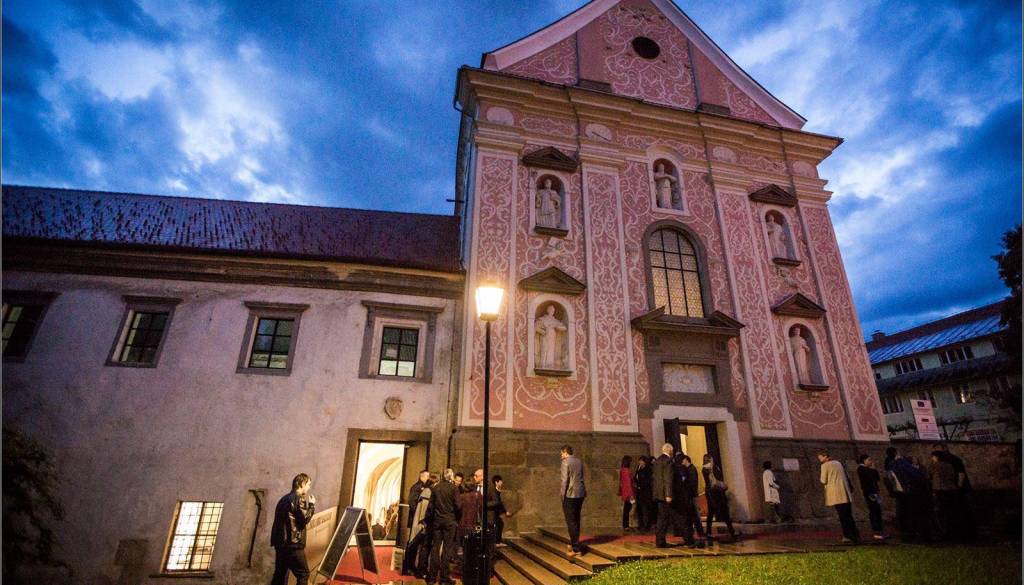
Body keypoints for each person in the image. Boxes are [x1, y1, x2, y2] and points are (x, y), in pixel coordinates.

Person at [270, 473, 316, 585]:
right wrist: (311, 505)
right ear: (302, 484)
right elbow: (304, 519)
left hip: (280, 545)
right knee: (303, 574)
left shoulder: (283, 499)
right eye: (308, 485)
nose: (309, 487)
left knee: (280, 575)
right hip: (293, 545)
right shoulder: (298, 499)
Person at [427, 469, 460, 585]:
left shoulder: (436, 488)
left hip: (437, 521)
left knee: (435, 548)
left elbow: (431, 506)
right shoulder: (454, 488)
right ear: (450, 477)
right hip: (449, 521)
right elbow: (458, 506)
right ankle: (444, 579)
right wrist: (456, 518)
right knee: (447, 549)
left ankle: (432, 578)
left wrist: (431, 519)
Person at [817, 451, 858, 543]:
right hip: (844, 491)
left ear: (825, 456)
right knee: (848, 515)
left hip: (835, 493)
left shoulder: (825, 466)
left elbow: (823, 480)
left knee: (842, 516)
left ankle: (847, 535)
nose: (820, 460)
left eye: (820, 458)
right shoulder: (838, 463)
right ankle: (855, 533)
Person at [402, 474, 436, 578]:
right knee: (415, 545)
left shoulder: (425, 490)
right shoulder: (425, 491)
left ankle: (412, 567)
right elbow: (420, 507)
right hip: (420, 523)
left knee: (415, 545)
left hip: (419, 521)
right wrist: (422, 521)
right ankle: (409, 568)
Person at [702, 454, 738, 542]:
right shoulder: (710, 469)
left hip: (710, 493)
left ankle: (708, 532)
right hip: (716, 493)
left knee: (711, 513)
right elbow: (714, 482)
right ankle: (732, 531)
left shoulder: (705, 469)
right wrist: (723, 485)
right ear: (710, 459)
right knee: (724, 512)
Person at [652, 443, 681, 548]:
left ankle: (660, 540)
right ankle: (661, 541)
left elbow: (655, 478)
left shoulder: (657, 461)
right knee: (666, 518)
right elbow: (668, 479)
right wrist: (669, 494)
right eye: (672, 450)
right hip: (666, 495)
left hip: (658, 494)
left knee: (662, 518)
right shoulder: (668, 461)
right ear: (669, 450)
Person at [560, 445, 586, 556]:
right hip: (580, 493)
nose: (561, 456)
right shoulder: (579, 461)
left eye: (561, 453)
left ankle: (576, 549)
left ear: (566, 452)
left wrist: (562, 495)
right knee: (576, 519)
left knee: (571, 521)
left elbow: (564, 480)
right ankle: (574, 543)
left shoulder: (565, 462)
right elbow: (581, 477)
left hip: (570, 494)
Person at [929, 450, 959, 541]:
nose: (932, 458)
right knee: (950, 512)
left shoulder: (935, 465)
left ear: (936, 457)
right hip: (951, 490)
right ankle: (952, 532)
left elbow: (929, 476)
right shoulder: (949, 465)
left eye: (933, 457)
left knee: (941, 513)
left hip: (940, 490)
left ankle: (944, 533)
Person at [857, 454, 885, 539]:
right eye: (869, 460)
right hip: (870, 493)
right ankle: (876, 531)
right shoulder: (861, 469)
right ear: (864, 460)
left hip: (875, 492)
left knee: (878, 510)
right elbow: (870, 475)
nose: (871, 462)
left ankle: (880, 530)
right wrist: (872, 469)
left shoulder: (868, 469)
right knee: (874, 510)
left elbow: (877, 478)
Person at [677, 455, 703, 547]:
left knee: (695, 515)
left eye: (683, 460)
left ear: (686, 460)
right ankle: (697, 533)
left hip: (691, 496)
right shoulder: (688, 469)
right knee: (693, 515)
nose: (682, 462)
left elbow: (692, 483)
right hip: (690, 496)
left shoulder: (691, 469)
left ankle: (700, 533)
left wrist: (690, 494)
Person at [487, 475, 513, 546]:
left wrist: (505, 511)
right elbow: (497, 502)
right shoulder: (492, 490)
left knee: (499, 524)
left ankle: (497, 541)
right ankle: (496, 542)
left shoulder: (496, 490)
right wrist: (505, 511)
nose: (502, 483)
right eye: (500, 481)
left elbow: (499, 503)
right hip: (491, 513)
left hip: (495, 512)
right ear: (496, 482)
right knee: (497, 525)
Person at [634, 456, 654, 532]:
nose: (640, 462)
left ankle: (647, 525)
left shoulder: (648, 469)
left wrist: (640, 485)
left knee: (647, 509)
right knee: (640, 509)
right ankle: (641, 524)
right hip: (640, 492)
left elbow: (648, 481)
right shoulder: (639, 469)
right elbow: (636, 478)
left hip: (646, 492)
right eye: (639, 461)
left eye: (641, 461)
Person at [407, 469, 431, 534]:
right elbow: (411, 501)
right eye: (427, 476)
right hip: (416, 515)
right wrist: (416, 513)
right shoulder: (417, 487)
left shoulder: (424, 486)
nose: (428, 478)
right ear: (422, 476)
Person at [618, 455, 636, 531]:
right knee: (627, 509)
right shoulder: (626, 471)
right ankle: (626, 525)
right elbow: (628, 483)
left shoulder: (623, 470)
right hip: (628, 492)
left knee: (626, 508)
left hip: (626, 492)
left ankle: (626, 525)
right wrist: (631, 494)